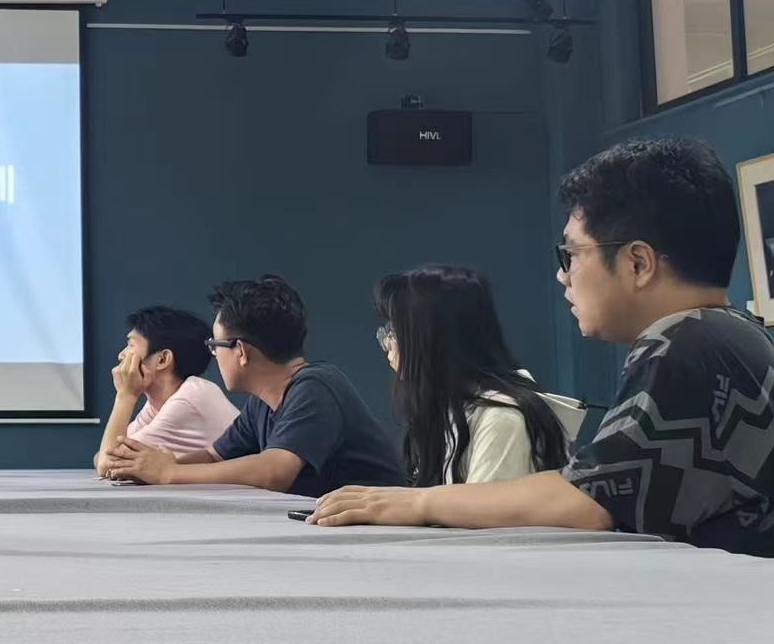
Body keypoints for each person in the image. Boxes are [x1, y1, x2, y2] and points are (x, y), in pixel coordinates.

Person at [313, 138, 774, 558]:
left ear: (638, 262)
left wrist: (417, 503)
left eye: (570, 255)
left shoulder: (688, 342)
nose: (562, 275)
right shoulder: (727, 335)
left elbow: (588, 501)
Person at [104, 275, 405, 495]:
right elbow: (214, 455)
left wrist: (169, 472)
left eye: (215, 345)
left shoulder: (316, 387)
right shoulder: (262, 402)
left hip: (385, 533)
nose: (213, 355)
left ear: (241, 352)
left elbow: (274, 471)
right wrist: (155, 465)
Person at [374, 265, 579, 485]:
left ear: (432, 340)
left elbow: (480, 507)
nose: (388, 344)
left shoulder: (501, 420)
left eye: (396, 331)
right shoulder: (452, 411)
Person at [94, 306, 239, 477]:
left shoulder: (190, 397)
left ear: (163, 359)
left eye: (131, 345)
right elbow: (105, 456)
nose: (121, 355)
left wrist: (125, 395)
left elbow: (106, 464)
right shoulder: (161, 403)